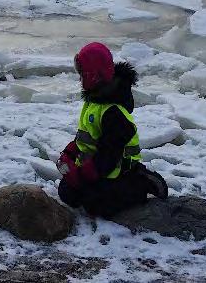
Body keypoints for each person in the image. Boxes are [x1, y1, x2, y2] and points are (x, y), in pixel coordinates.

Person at [57, 42, 168, 217]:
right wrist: (70, 153)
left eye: (82, 74)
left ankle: (143, 181)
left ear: (94, 76)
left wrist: (80, 175)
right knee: (67, 192)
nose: (80, 80)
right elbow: (88, 137)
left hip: (118, 171)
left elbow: (108, 156)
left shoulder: (113, 113)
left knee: (96, 206)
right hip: (98, 169)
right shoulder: (93, 102)